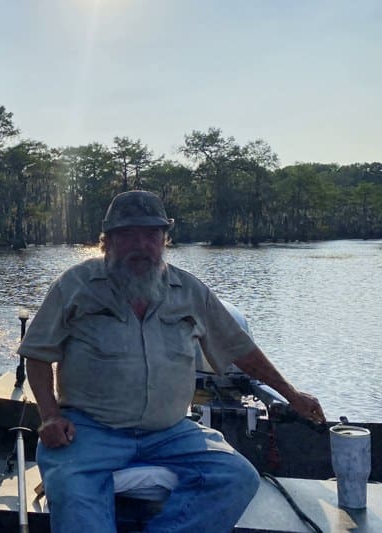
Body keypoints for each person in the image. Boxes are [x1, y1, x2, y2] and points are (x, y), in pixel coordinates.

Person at [17, 190, 325, 533]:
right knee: (73, 493)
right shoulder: (75, 285)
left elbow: (241, 350)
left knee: (236, 477)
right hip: (90, 431)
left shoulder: (189, 291)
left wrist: (291, 394)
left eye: (152, 235)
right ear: (106, 242)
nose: (141, 245)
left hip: (170, 432)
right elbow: (37, 354)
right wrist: (50, 417)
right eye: (128, 234)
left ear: (165, 240)